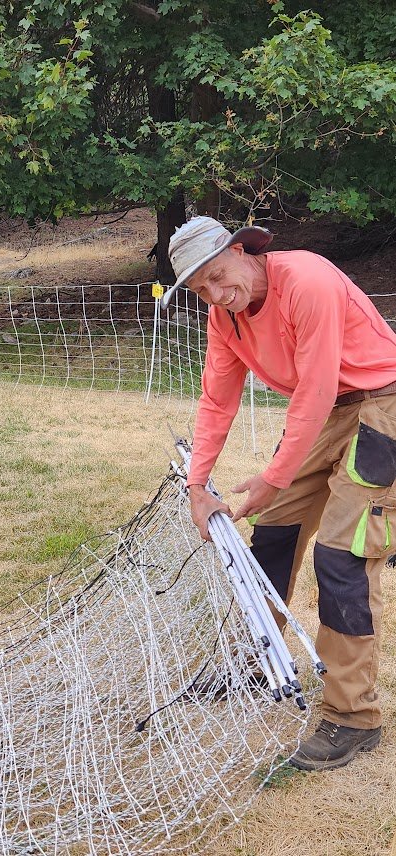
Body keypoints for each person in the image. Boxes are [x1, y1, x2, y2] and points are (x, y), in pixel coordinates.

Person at [163, 216, 396, 772]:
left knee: (341, 554)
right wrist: (197, 485)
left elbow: (314, 387)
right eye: (201, 291)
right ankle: (257, 662)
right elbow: (217, 400)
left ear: (242, 251)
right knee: (271, 535)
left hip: (384, 403)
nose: (218, 296)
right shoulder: (226, 319)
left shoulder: (306, 280)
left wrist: (274, 476)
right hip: (328, 413)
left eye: (219, 277)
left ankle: (352, 716)